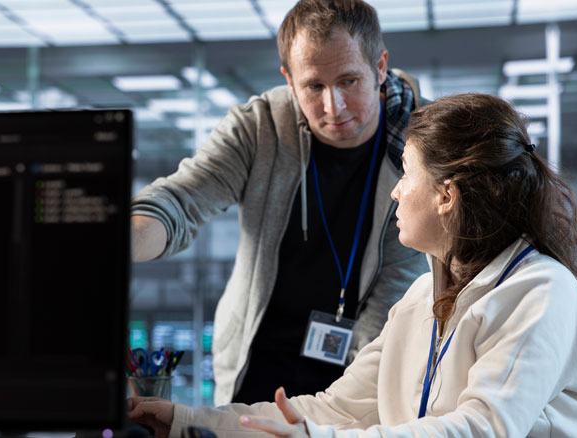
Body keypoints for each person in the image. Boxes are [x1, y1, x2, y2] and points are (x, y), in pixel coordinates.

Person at [128, 93, 577, 437]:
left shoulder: (542, 294)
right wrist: (187, 421)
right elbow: (337, 409)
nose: (395, 191)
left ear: (446, 196)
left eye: (407, 174)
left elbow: (481, 429)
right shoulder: (421, 298)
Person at [131, 0, 428, 405]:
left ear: (380, 67)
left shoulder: (421, 146)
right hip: (253, 363)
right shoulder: (259, 127)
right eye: (314, 86)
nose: (334, 107)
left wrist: (346, 403)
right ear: (289, 80)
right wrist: (125, 241)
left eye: (349, 81)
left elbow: (399, 281)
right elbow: (182, 200)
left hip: (355, 368)